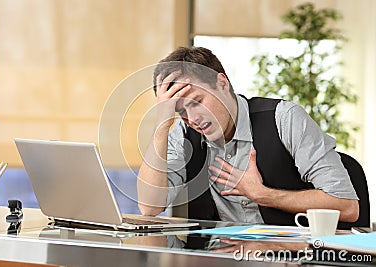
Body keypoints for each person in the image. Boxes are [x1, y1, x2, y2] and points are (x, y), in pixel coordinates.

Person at [137, 46, 359, 226]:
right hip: (219, 259)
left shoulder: (285, 119)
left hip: (291, 258)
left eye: (197, 102)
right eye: (180, 111)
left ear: (222, 83)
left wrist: (262, 195)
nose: (192, 118)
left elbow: (347, 206)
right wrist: (162, 125)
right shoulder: (182, 134)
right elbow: (149, 207)